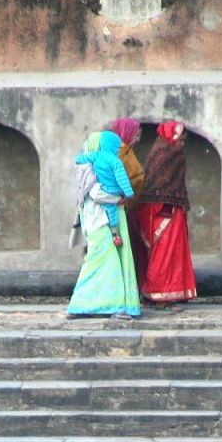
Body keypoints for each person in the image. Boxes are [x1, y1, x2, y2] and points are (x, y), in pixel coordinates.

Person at [68, 132, 141, 318]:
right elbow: (96, 194)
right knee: (102, 260)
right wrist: (119, 198)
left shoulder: (95, 164)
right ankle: (84, 303)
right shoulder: (88, 170)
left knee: (109, 260)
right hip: (99, 221)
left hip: (107, 220)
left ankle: (109, 304)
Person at [134, 121, 197, 304]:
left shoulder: (168, 150)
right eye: (179, 135)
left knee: (173, 252)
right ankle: (158, 290)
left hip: (172, 211)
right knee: (163, 253)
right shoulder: (166, 152)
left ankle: (174, 290)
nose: (182, 139)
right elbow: (154, 183)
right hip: (163, 211)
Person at [109, 118, 148, 289]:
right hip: (120, 209)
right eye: (136, 135)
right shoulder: (119, 153)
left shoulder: (126, 152)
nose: (138, 139)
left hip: (128, 208)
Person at [75, 130, 134, 229]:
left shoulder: (96, 156)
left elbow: (80, 159)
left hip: (105, 190)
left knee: (105, 203)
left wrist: (77, 159)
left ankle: (114, 230)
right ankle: (115, 231)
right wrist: (129, 193)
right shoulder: (116, 161)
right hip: (113, 192)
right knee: (112, 208)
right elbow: (122, 179)